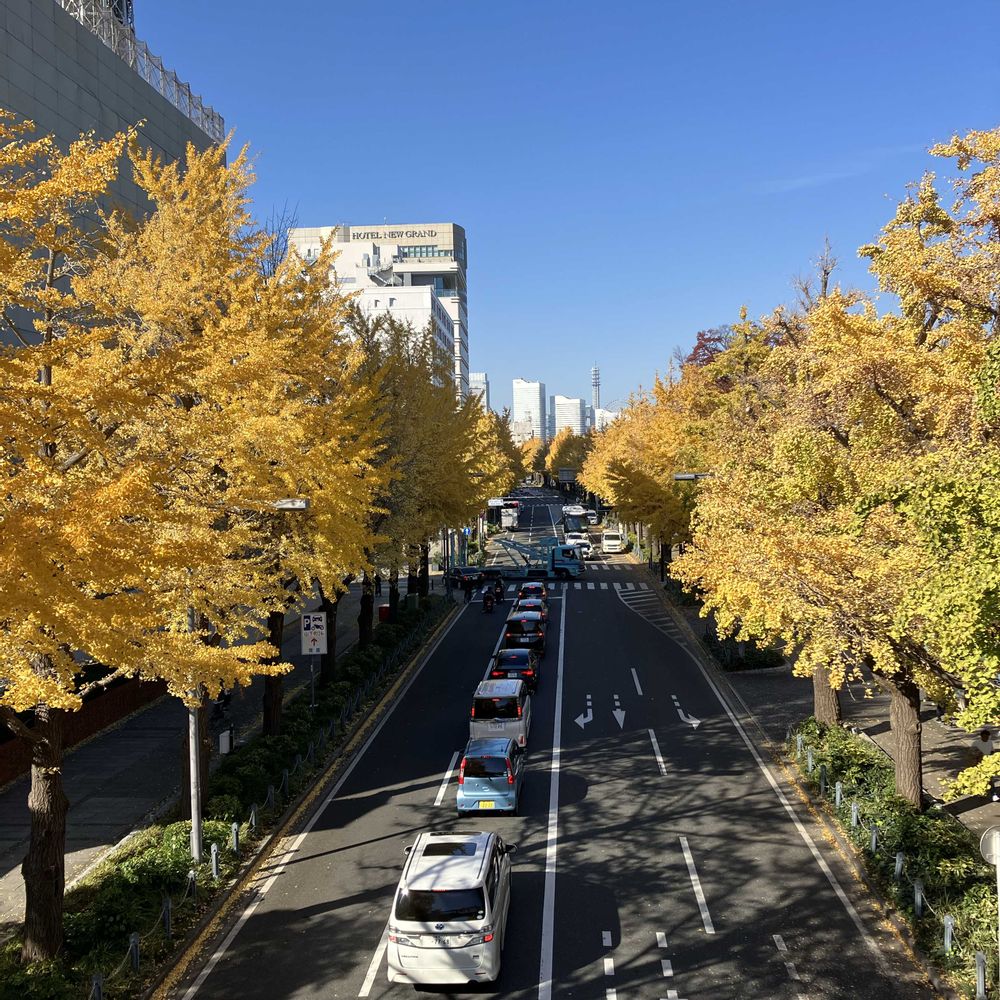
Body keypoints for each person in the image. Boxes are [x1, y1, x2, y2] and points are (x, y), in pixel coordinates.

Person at [971, 728, 998, 801]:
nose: (986, 738)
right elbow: (972, 753)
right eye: (984, 737)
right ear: (981, 736)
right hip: (979, 763)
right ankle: (981, 794)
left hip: (988, 764)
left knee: (990, 780)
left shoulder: (990, 742)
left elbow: (992, 752)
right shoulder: (976, 743)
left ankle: (993, 794)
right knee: (980, 780)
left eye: (987, 737)